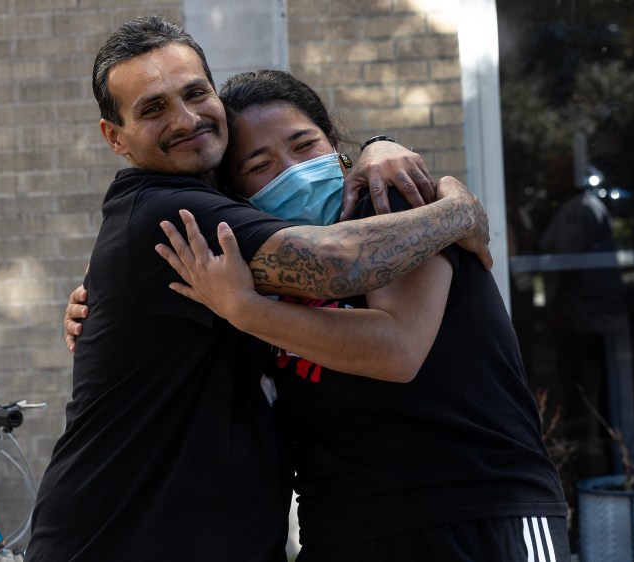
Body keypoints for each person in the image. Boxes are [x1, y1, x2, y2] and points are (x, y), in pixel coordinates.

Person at [27, 14, 491, 562]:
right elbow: (336, 264)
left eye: (196, 93)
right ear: (116, 138)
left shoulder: (225, 211)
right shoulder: (168, 213)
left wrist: (377, 145)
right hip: (126, 540)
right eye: (153, 108)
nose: (185, 118)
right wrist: (457, 208)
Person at [152, 69, 571, 561]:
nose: (291, 170)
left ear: (335, 145)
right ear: (237, 193)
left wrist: (246, 310)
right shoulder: (247, 263)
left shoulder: (393, 204)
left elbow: (397, 350)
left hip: (480, 510)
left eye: (305, 145)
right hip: (343, 526)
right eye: (260, 165)